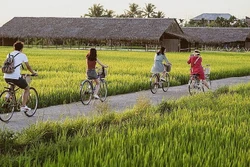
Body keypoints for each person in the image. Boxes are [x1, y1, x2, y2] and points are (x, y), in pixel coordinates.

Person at [3, 41, 37, 112]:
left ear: (14, 47)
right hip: (15, 77)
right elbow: (28, 67)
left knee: (12, 84)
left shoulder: (9, 54)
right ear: (22, 48)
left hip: (6, 76)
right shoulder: (22, 55)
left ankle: (7, 96)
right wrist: (33, 73)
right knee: (27, 88)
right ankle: (23, 106)